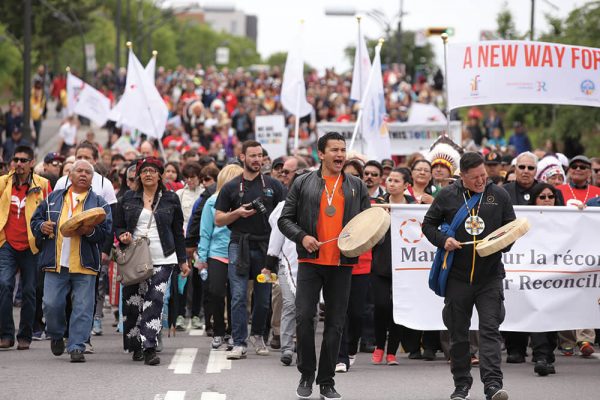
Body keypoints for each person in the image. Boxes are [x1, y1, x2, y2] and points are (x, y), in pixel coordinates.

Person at [278, 132, 370, 400]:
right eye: (334, 150)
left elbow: (367, 225)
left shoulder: (356, 186)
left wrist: (377, 226)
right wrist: (303, 236)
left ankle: (326, 380)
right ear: (321, 154)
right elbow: (285, 220)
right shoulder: (303, 182)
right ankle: (307, 373)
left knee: (335, 323)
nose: (340, 155)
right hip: (310, 261)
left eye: (343, 150)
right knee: (305, 317)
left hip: (342, 263)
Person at [422, 152, 515, 400]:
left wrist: (501, 244)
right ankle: (461, 385)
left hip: (490, 277)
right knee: (458, 334)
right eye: (474, 178)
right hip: (458, 277)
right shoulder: (447, 195)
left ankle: (493, 385)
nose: (481, 181)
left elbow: (511, 229)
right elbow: (428, 225)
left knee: (489, 332)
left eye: (483, 175)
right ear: (462, 176)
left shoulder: (500, 195)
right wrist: (444, 240)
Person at [31, 160, 112, 362]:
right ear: (70, 175)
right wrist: (42, 227)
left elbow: (106, 232)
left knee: (83, 307)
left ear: (92, 178)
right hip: (55, 262)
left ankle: (77, 345)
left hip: (85, 264)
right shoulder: (53, 199)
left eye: (88, 172)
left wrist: (90, 231)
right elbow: (35, 220)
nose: (83, 175)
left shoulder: (99, 203)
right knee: (51, 305)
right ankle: (57, 334)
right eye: (79, 171)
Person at [114, 157, 190, 365]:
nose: (148, 174)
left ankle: (150, 347)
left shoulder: (171, 199)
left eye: (153, 170)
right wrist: (123, 236)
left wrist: (183, 261)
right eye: (144, 171)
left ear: (160, 175)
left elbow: (178, 232)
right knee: (134, 301)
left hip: (164, 256)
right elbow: (118, 226)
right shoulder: (128, 198)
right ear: (138, 175)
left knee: (154, 300)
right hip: (135, 256)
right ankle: (135, 345)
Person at [214, 140, 286, 360]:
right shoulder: (231, 187)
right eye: (252, 155)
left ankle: (257, 335)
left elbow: (285, 216)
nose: (257, 160)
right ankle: (238, 342)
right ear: (242, 157)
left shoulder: (274, 186)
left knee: (263, 298)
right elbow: (218, 219)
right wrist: (237, 213)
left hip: (267, 248)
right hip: (239, 245)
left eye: (260, 156)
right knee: (237, 296)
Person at [0, 146, 51, 350]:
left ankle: (25, 335)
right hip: (7, 244)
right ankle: (5, 334)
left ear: (32, 163)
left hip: (32, 246)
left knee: (30, 292)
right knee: (4, 285)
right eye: (16, 160)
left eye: (23, 160)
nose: (18, 164)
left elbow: (51, 211)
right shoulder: (3, 183)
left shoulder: (43, 185)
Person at [370, 167, 422, 365]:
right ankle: (379, 346)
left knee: (397, 308)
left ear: (406, 185)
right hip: (380, 263)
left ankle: (392, 351)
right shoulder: (378, 204)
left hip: (404, 265)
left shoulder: (414, 206)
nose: (391, 183)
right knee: (381, 305)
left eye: (396, 181)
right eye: (389, 180)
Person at [198, 164, 243, 349]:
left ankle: (234, 332)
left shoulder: (245, 201)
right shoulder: (212, 201)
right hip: (216, 252)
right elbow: (206, 231)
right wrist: (202, 257)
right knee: (216, 292)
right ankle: (218, 331)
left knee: (236, 294)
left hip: (239, 251)